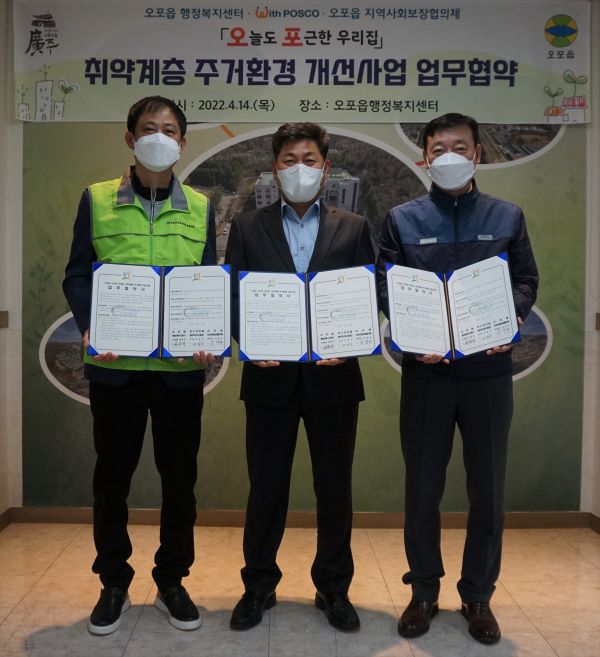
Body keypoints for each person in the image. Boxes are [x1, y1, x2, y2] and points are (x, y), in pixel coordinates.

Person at [376, 113, 538, 645]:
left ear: (477, 154)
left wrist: (512, 318)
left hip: (487, 372)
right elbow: (386, 286)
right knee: (423, 487)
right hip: (427, 374)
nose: (449, 156)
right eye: (439, 148)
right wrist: (409, 333)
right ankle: (423, 591)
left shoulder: (506, 216)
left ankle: (477, 595)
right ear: (425, 157)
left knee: (487, 489)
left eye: (460, 147)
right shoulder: (402, 219)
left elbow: (524, 279)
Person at [63, 96, 217, 635]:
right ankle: (113, 581)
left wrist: (207, 334)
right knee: (112, 479)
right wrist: (90, 324)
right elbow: (77, 273)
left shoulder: (200, 206)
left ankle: (172, 580)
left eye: (169, 130)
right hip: (116, 368)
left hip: (179, 373)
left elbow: (206, 280)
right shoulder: (97, 199)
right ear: (130, 138)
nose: (159, 137)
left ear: (182, 142)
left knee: (180, 481)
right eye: (149, 128)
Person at [225, 122, 375, 632]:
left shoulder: (354, 226)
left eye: (309, 160)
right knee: (266, 489)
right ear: (275, 168)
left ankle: (333, 588)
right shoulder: (247, 226)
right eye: (289, 160)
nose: (299, 169)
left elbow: (367, 295)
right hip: (269, 379)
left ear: (326, 169)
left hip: (334, 381)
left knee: (334, 489)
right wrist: (248, 338)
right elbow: (233, 294)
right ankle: (258, 585)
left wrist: (350, 343)